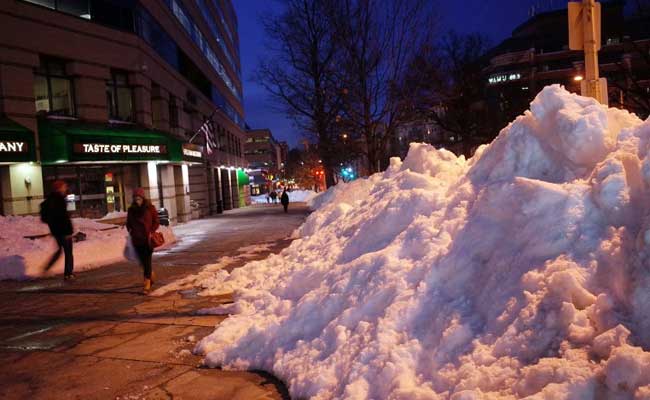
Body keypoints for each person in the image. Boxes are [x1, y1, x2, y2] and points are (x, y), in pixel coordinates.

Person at [126, 188, 160, 293]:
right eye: (135, 197)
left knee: (147, 260)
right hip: (137, 239)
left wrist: (151, 231)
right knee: (142, 262)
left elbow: (156, 221)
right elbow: (128, 223)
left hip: (147, 239)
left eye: (139, 197)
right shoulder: (131, 210)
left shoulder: (150, 208)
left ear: (142, 197)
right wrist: (131, 231)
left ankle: (147, 283)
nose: (137, 199)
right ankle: (150, 275)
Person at [42, 180, 75, 280]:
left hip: (56, 231)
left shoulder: (50, 199)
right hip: (63, 231)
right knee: (68, 252)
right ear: (59, 188)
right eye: (64, 187)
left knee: (60, 250)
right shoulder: (59, 199)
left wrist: (53, 226)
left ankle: (47, 268)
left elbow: (46, 217)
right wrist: (68, 231)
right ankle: (68, 273)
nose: (65, 188)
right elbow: (63, 217)